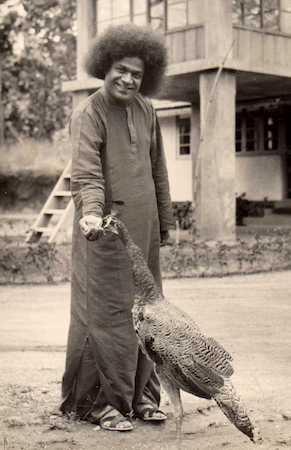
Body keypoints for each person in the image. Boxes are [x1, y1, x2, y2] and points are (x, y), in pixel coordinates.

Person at [60, 24, 174, 432]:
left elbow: (158, 169)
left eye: (137, 74)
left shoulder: (146, 110)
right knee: (105, 317)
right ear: (104, 66)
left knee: (146, 315)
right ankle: (99, 404)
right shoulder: (87, 114)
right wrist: (90, 212)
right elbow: (86, 175)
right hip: (103, 235)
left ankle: (142, 397)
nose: (128, 79)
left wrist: (166, 221)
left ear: (147, 78)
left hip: (143, 236)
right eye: (121, 70)